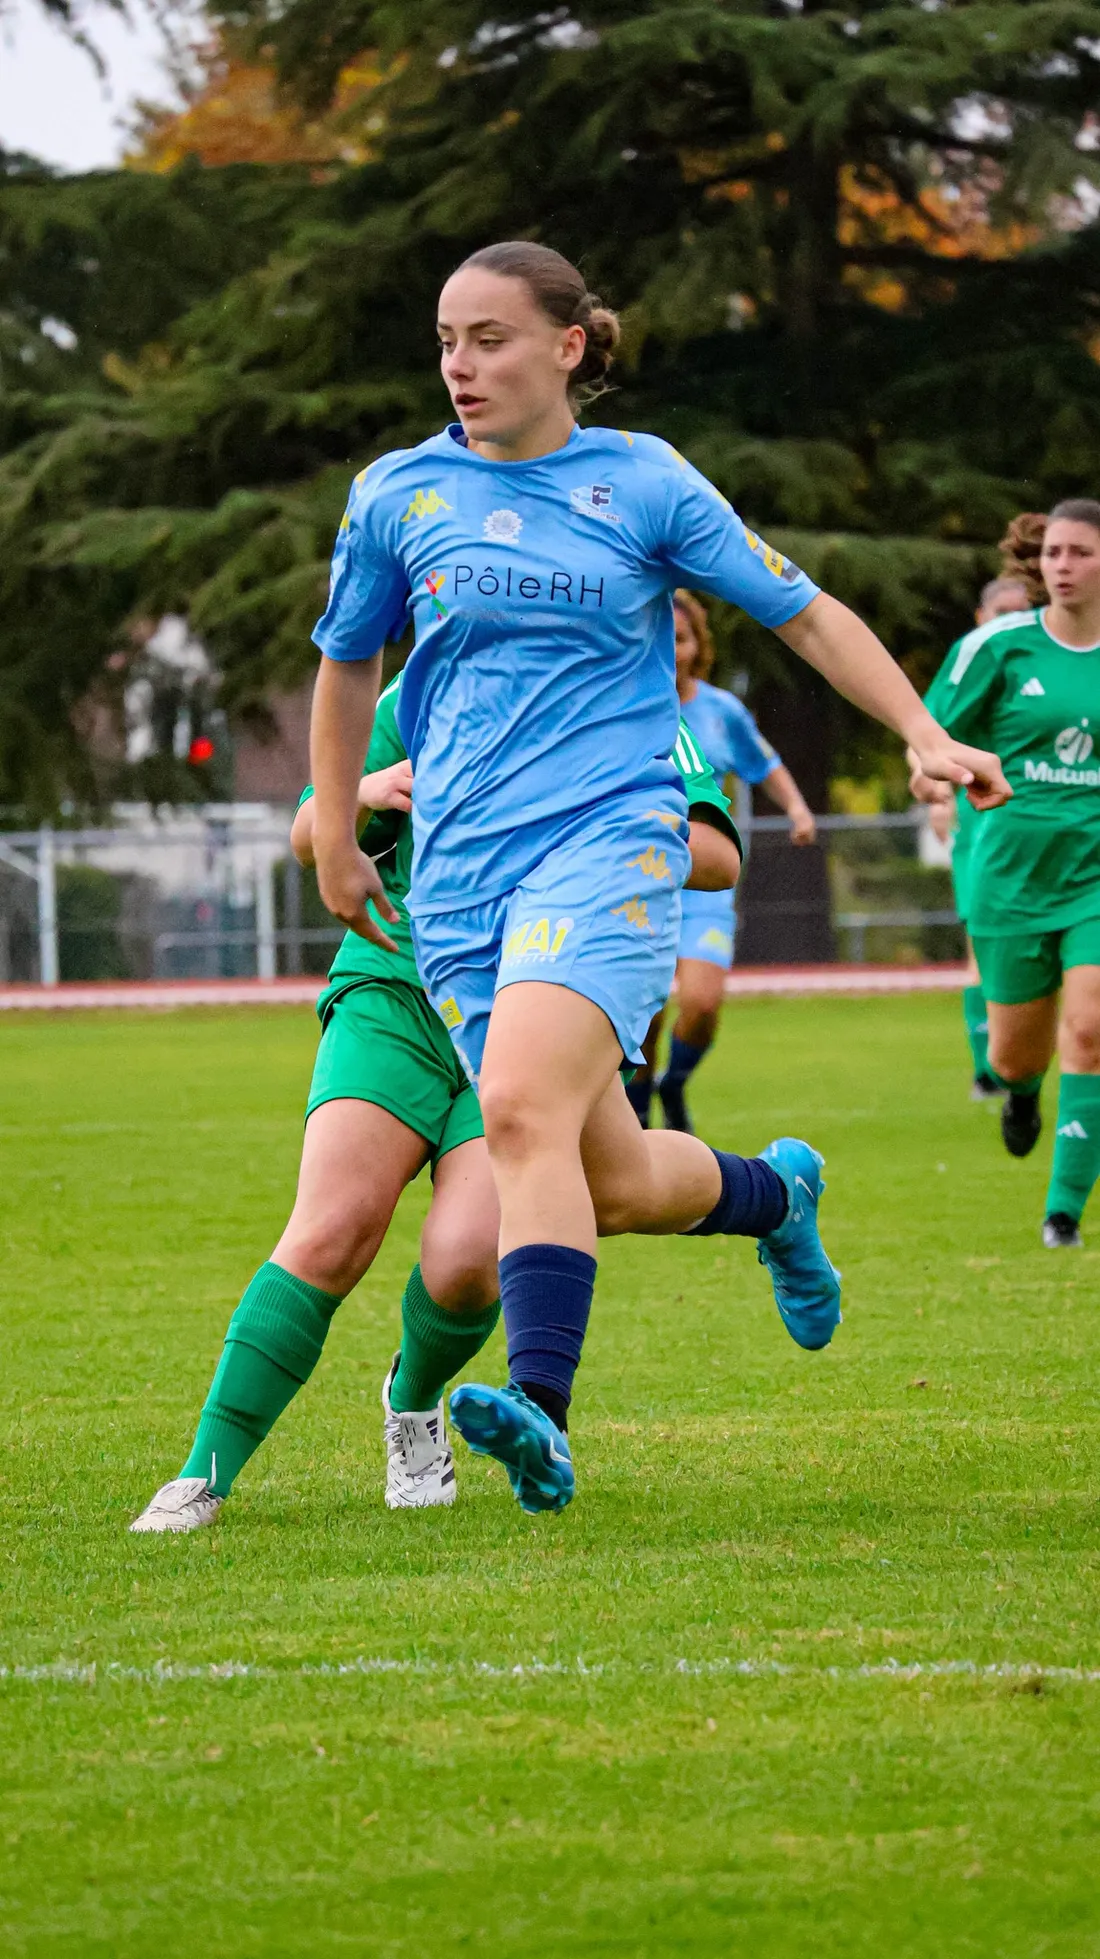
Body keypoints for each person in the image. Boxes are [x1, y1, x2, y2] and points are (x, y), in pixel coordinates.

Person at [308, 239, 1009, 1515]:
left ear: (569, 347)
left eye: (491, 338)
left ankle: (540, 1408)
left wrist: (920, 730)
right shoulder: (396, 494)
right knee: (610, 1178)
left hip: (610, 849)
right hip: (460, 881)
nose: (460, 366)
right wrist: (337, 831)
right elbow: (348, 666)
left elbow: (802, 612)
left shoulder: (644, 482)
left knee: (516, 1108)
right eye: (446, 342)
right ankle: (771, 1195)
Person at [129, 679, 743, 1530]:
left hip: (530, 1005)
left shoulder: (622, 691)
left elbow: (717, 854)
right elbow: (312, 833)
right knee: (332, 1227)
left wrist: (584, 811)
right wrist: (369, 793)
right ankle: (203, 1473)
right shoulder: (415, 692)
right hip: (396, 989)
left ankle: (411, 1397)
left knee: (465, 1261)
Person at [910, 500, 1100, 1248]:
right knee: (1015, 1054)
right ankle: (1020, 1095)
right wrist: (933, 779)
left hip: (1094, 878)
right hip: (1012, 879)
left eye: (1080, 552)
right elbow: (927, 736)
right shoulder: (995, 647)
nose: (1062, 565)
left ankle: (1063, 1211)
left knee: (1090, 1026)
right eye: (1053, 552)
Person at [630, 588, 817, 1132]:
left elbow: (765, 763)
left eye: (681, 638)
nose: (671, 648)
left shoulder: (719, 712)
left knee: (702, 1004)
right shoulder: (626, 707)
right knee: (646, 1014)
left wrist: (799, 808)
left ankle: (676, 1082)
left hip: (707, 889)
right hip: (640, 886)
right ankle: (639, 1104)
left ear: (697, 645)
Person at [922, 556, 1038, 1100]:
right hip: (987, 828)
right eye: (1001, 613)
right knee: (983, 949)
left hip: (1055, 830)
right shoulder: (972, 668)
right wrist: (936, 790)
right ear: (979, 616)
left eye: (1023, 612)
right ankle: (987, 1072)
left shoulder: (1046, 664)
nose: (1013, 621)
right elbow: (928, 734)